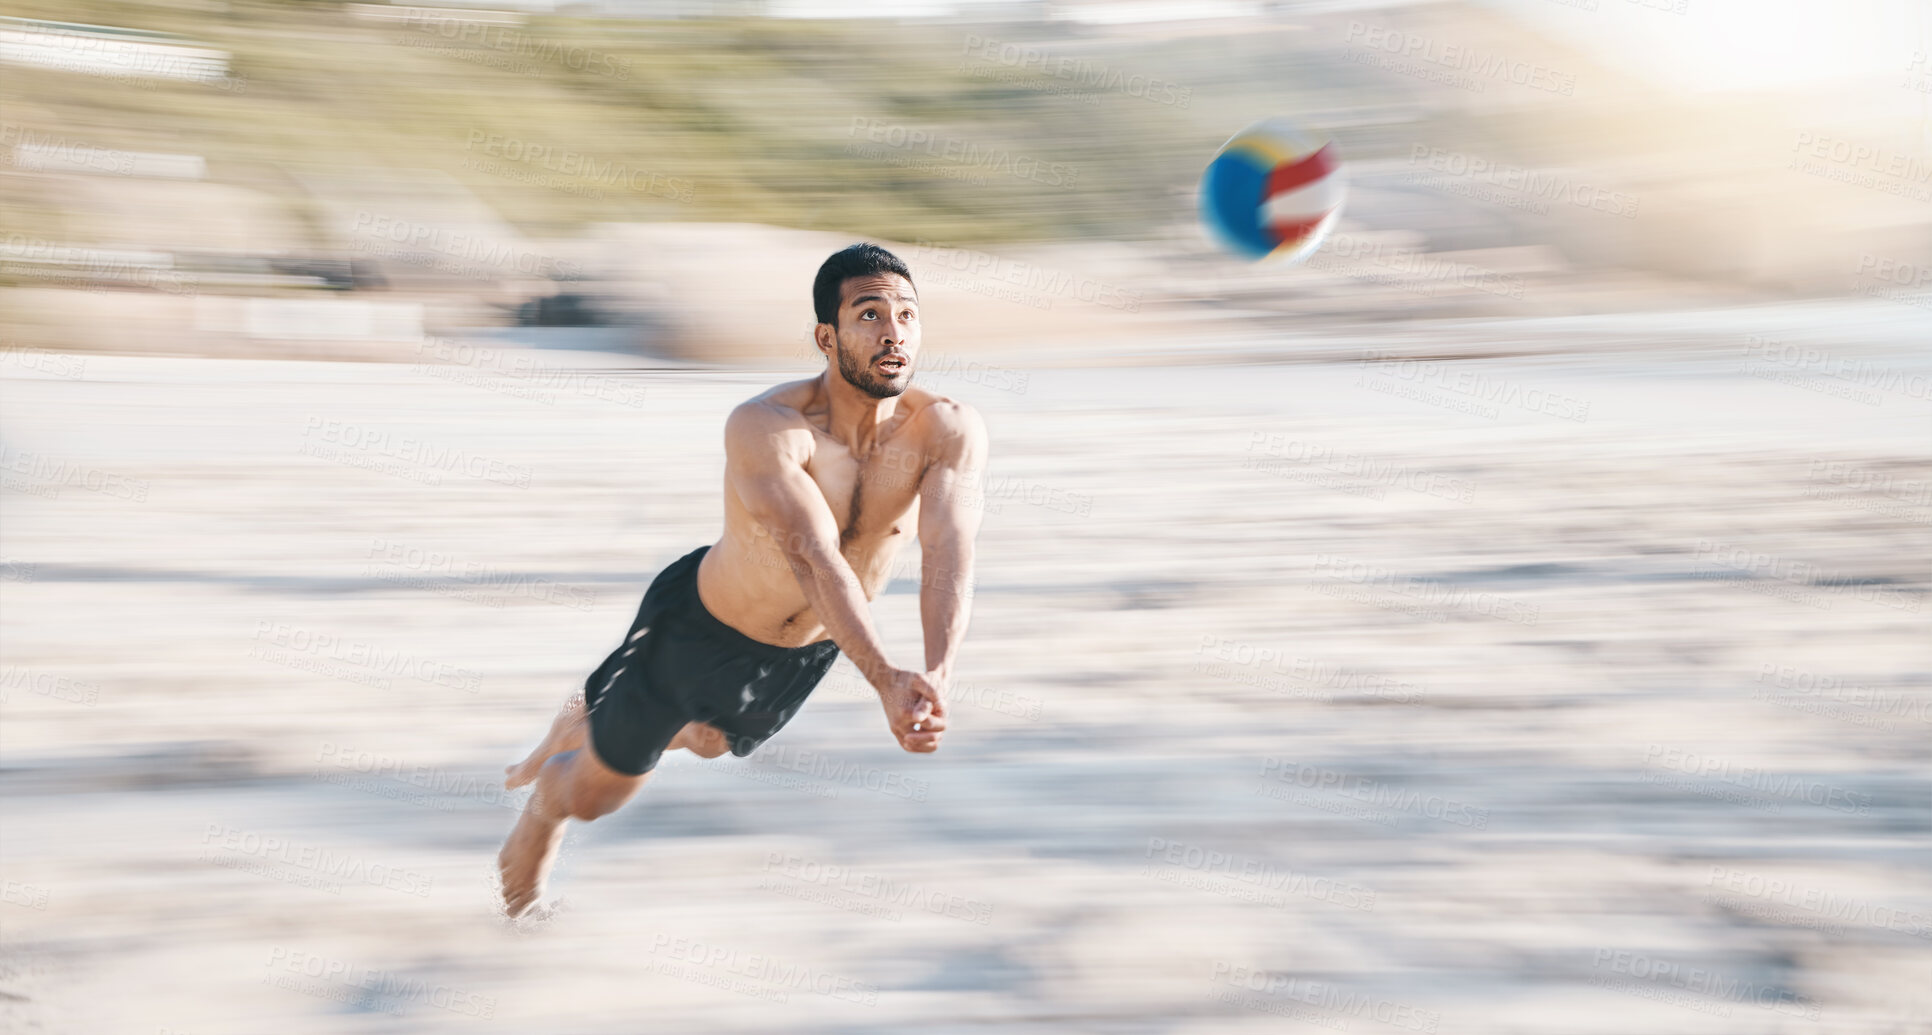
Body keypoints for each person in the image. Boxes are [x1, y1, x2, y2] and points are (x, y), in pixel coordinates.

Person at [497, 243, 989, 918]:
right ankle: (544, 810)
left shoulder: (946, 430)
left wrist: (936, 676)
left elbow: (949, 550)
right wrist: (884, 679)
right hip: (698, 626)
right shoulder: (769, 426)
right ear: (827, 336)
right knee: (595, 795)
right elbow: (818, 561)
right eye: (869, 313)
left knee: (704, 741)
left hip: (810, 649)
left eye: (907, 314)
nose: (893, 331)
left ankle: (589, 714)